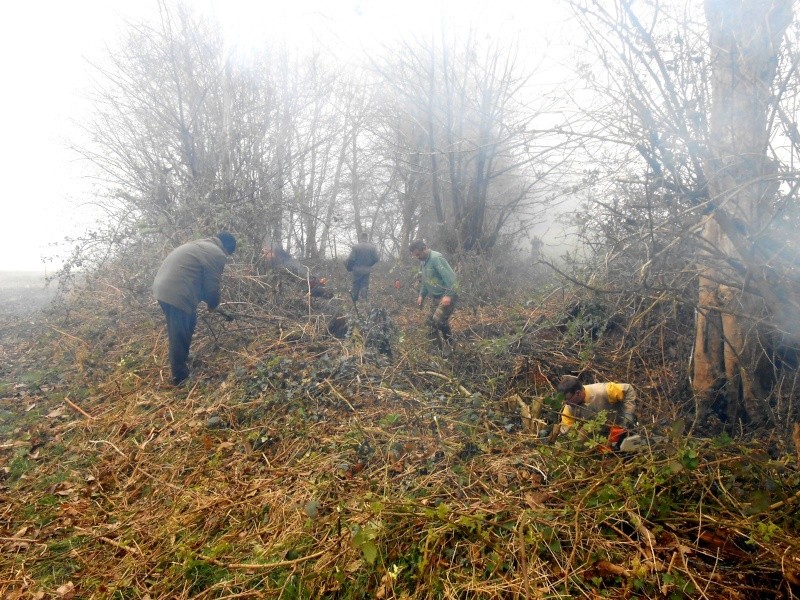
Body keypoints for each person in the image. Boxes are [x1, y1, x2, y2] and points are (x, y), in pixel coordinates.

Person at [153, 232, 236, 386]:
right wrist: (213, 303)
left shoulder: (202, 245)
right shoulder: (217, 253)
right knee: (179, 332)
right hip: (177, 291)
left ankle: (183, 356)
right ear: (226, 249)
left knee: (189, 322)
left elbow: (199, 280)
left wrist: (209, 301)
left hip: (164, 288)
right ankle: (180, 377)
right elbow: (211, 286)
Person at [553, 375, 637, 450]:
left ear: (577, 393)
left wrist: (628, 415)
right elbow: (567, 433)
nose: (565, 402)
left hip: (622, 429)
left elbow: (628, 389)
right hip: (600, 440)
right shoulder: (568, 410)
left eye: (568, 399)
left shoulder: (603, 391)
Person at [409, 239, 459, 353]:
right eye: (415, 255)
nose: (417, 257)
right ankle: (436, 351)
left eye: (418, 254)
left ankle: (451, 344)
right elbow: (425, 280)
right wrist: (422, 294)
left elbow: (452, 279)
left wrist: (448, 295)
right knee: (429, 324)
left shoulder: (436, 258)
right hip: (436, 298)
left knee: (439, 320)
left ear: (424, 248)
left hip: (446, 295)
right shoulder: (423, 261)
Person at [345, 233, 379, 303]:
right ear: (367, 238)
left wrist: (350, 268)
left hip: (356, 270)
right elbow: (376, 259)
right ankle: (363, 301)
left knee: (355, 285)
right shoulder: (372, 248)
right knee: (364, 285)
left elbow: (351, 259)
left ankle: (354, 301)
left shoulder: (355, 247)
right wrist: (370, 264)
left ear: (361, 238)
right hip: (366, 270)